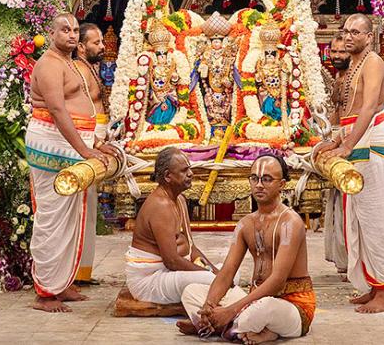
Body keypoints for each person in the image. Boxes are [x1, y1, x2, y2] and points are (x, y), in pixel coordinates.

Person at [26, 12, 114, 313]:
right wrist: (84, 149)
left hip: (70, 142)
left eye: (76, 30)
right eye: (65, 30)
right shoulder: (49, 64)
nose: (72, 35)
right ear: (52, 33)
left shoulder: (70, 63)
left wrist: (94, 143)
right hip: (53, 143)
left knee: (71, 217)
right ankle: (45, 293)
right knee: (52, 217)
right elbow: (58, 111)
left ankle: (62, 284)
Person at [180, 153, 315, 342]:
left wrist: (230, 310)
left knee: (263, 309)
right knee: (191, 291)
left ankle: (220, 325)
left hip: (291, 306)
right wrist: (208, 306)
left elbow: (277, 281)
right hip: (254, 299)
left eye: (267, 179)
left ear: (282, 185)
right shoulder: (245, 224)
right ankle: (224, 325)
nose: (259, 184)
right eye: (254, 178)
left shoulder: (290, 222)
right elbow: (227, 272)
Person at [318, 14, 384, 314]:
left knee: (374, 219)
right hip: (357, 138)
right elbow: (351, 112)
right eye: (346, 31)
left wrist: (347, 145)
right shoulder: (354, 64)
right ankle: (372, 286)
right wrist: (337, 141)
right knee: (358, 221)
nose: (349, 37)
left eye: (356, 32)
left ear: (369, 35)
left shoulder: (373, 61)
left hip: (372, 140)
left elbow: (369, 106)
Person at [126, 147, 216, 304]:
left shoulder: (179, 199)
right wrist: (211, 275)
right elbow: (172, 261)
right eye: (184, 170)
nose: (190, 174)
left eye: (189, 169)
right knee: (212, 280)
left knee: (229, 274)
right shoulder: (160, 205)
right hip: (150, 280)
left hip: (169, 273)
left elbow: (191, 246)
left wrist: (216, 271)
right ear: (168, 176)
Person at [74, 22, 110, 287]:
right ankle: (73, 274)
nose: (103, 46)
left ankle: (82, 272)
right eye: (96, 42)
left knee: (89, 208)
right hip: (87, 140)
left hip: (96, 137)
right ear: (81, 47)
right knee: (80, 208)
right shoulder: (78, 70)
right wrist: (93, 141)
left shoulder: (89, 68)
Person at [323, 32, 350, 274]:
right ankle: (344, 260)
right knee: (337, 205)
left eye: (342, 52)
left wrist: (338, 140)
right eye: (334, 51)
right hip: (337, 141)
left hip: (352, 144)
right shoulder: (339, 77)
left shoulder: (355, 77)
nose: (338, 56)